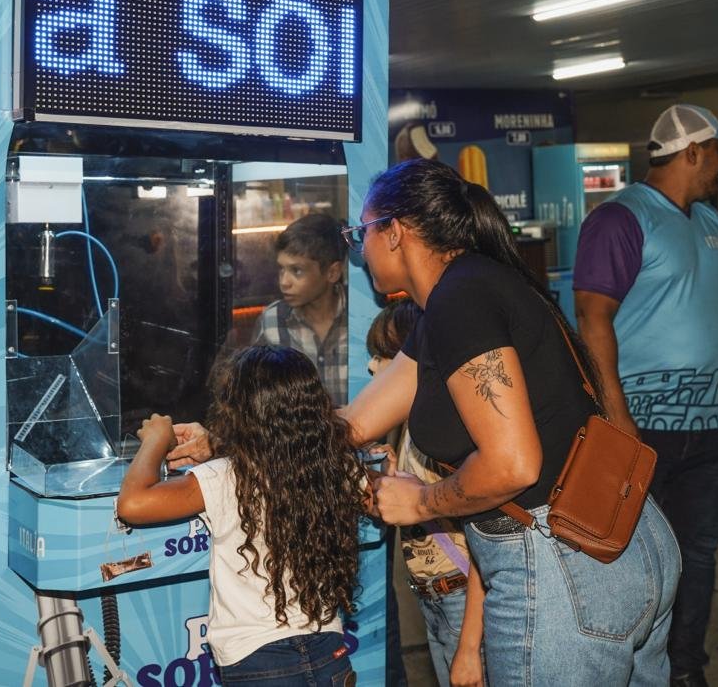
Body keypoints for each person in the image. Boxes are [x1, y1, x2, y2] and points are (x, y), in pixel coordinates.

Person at [339, 157, 680, 685]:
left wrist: (422, 501)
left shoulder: (460, 300)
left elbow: (513, 465)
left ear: (395, 232)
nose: (359, 248)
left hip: (561, 564)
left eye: (360, 232)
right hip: (624, 541)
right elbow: (356, 422)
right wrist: (226, 440)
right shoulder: (464, 295)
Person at [573, 104, 718, 687]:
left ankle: (684, 671)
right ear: (692, 151)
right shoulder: (620, 219)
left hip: (711, 425)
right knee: (635, 559)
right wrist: (616, 415)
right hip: (643, 428)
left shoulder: (713, 224)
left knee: (698, 557)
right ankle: (631, 670)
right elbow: (593, 316)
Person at [118, 345, 365, 686]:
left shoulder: (225, 477)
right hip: (329, 652)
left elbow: (132, 505)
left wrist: (155, 441)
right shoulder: (336, 466)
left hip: (257, 662)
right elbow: (372, 488)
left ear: (237, 413)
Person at [368, 299, 486, 687]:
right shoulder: (405, 430)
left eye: (384, 357)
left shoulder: (444, 436)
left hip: (463, 601)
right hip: (432, 599)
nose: (372, 367)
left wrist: (470, 647)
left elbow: (486, 547)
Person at [252, 212, 349, 407]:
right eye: (281, 269)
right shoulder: (272, 321)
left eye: (297, 271)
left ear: (332, 272)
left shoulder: (360, 318)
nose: (284, 282)